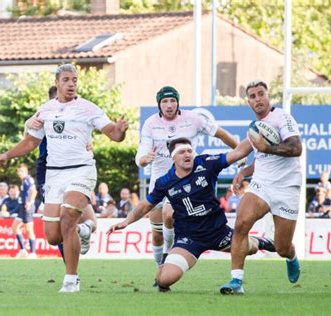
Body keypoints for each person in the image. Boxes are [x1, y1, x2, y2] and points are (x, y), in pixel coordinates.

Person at [0, 64, 128, 293]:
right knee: (53, 237)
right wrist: (6, 154)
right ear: (57, 83)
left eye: (74, 79)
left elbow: (113, 133)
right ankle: (84, 231)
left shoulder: (88, 108)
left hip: (81, 170)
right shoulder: (44, 110)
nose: (71, 83)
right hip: (54, 174)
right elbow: (30, 142)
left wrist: (121, 130)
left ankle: (70, 280)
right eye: (66, 79)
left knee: (67, 219)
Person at [108, 137, 275, 292]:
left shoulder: (206, 163)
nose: (187, 154)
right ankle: (166, 265)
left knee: (251, 249)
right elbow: (146, 205)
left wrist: (255, 133)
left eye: (189, 151)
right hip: (189, 239)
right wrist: (126, 222)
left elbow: (238, 152)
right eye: (182, 152)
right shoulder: (165, 182)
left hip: (218, 232)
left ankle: (259, 242)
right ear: (173, 158)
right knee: (163, 280)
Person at [135, 85, 239, 282]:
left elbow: (220, 133)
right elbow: (141, 152)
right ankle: (161, 267)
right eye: (164, 101)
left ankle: (168, 254)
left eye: (172, 100)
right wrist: (143, 160)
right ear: (159, 104)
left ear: (178, 102)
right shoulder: (150, 123)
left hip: (184, 180)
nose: (169, 105)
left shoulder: (193, 119)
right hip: (160, 182)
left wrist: (238, 152)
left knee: (169, 214)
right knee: (157, 232)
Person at [220, 80, 303, 295]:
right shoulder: (254, 128)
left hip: (287, 187)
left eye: (261, 94)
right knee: (241, 223)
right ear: (248, 102)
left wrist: (268, 147)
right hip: (262, 185)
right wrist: (243, 172)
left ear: (268, 96)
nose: (257, 99)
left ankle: (291, 256)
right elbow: (249, 155)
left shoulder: (282, 117)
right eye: (253, 96)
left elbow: (296, 148)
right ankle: (236, 281)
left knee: (282, 247)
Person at [27, 84, 96, 260]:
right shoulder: (42, 116)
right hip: (49, 171)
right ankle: (71, 271)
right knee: (58, 224)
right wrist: (27, 123)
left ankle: (84, 231)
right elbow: (27, 140)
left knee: (89, 221)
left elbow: (87, 145)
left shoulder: (78, 117)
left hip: (77, 170)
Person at [13, 164, 38, 258]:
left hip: (28, 208)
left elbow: (34, 191)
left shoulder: (28, 179)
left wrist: (30, 202)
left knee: (29, 230)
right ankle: (23, 250)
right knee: (15, 227)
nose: (19, 173)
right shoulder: (23, 181)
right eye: (18, 171)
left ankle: (33, 253)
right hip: (22, 208)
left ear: (26, 171)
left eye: (21, 171)